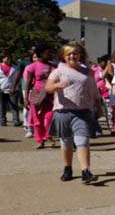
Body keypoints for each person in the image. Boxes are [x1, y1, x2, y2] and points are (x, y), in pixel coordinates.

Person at [44, 41, 100, 183]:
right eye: (68, 54)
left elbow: (94, 91)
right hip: (63, 111)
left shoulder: (88, 72)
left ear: (80, 55)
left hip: (82, 112)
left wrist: (98, 105)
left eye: (75, 53)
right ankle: (67, 168)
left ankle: (86, 171)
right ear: (63, 56)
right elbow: (47, 88)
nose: (72, 56)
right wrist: (57, 85)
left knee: (82, 140)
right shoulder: (58, 71)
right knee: (66, 142)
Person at [23, 45, 56, 149]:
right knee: (37, 119)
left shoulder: (54, 66)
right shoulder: (32, 66)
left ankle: (49, 136)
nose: (50, 54)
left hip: (51, 95)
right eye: (48, 53)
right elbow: (28, 83)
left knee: (50, 117)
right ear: (40, 54)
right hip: (36, 95)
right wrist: (25, 99)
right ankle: (40, 140)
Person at [0, 53, 21, 127]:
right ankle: (3, 121)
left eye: (8, 57)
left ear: (11, 58)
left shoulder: (15, 67)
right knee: (2, 105)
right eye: (4, 57)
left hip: (13, 90)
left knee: (14, 105)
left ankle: (16, 121)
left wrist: (17, 87)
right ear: (2, 58)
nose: (6, 58)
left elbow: (18, 79)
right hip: (0, 90)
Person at [15, 47, 35, 137]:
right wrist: (14, 86)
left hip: (39, 88)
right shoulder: (24, 62)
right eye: (32, 49)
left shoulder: (43, 63)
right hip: (26, 87)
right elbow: (18, 75)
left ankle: (37, 128)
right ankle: (27, 126)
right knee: (27, 107)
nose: (34, 51)